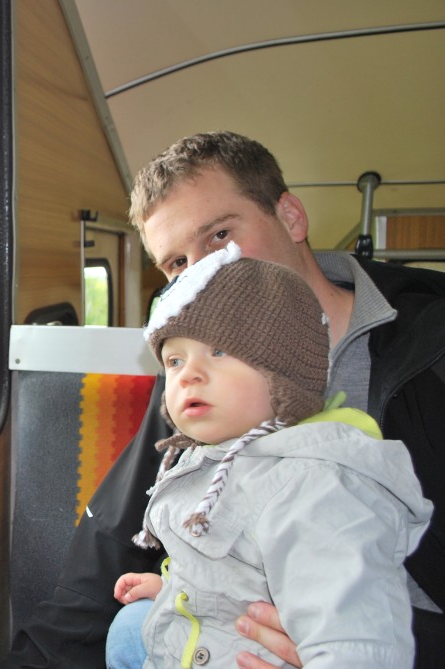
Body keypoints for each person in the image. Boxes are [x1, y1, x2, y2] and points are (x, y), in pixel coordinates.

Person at [0, 131, 445, 668]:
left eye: (221, 236)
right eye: (177, 264)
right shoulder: (195, 379)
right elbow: (109, 552)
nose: (205, 271)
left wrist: (357, 642)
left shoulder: (429, 349)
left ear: (291, 217)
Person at [101, 243, 431, 668]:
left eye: (219, 351)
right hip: (211, 640)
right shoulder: (212, 458)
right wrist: (179, 591)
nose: (189, 375)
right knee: (128, 628)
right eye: (175, 361)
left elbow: (357, 637)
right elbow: (238, 573)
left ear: (284, 371)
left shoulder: (315, 486)